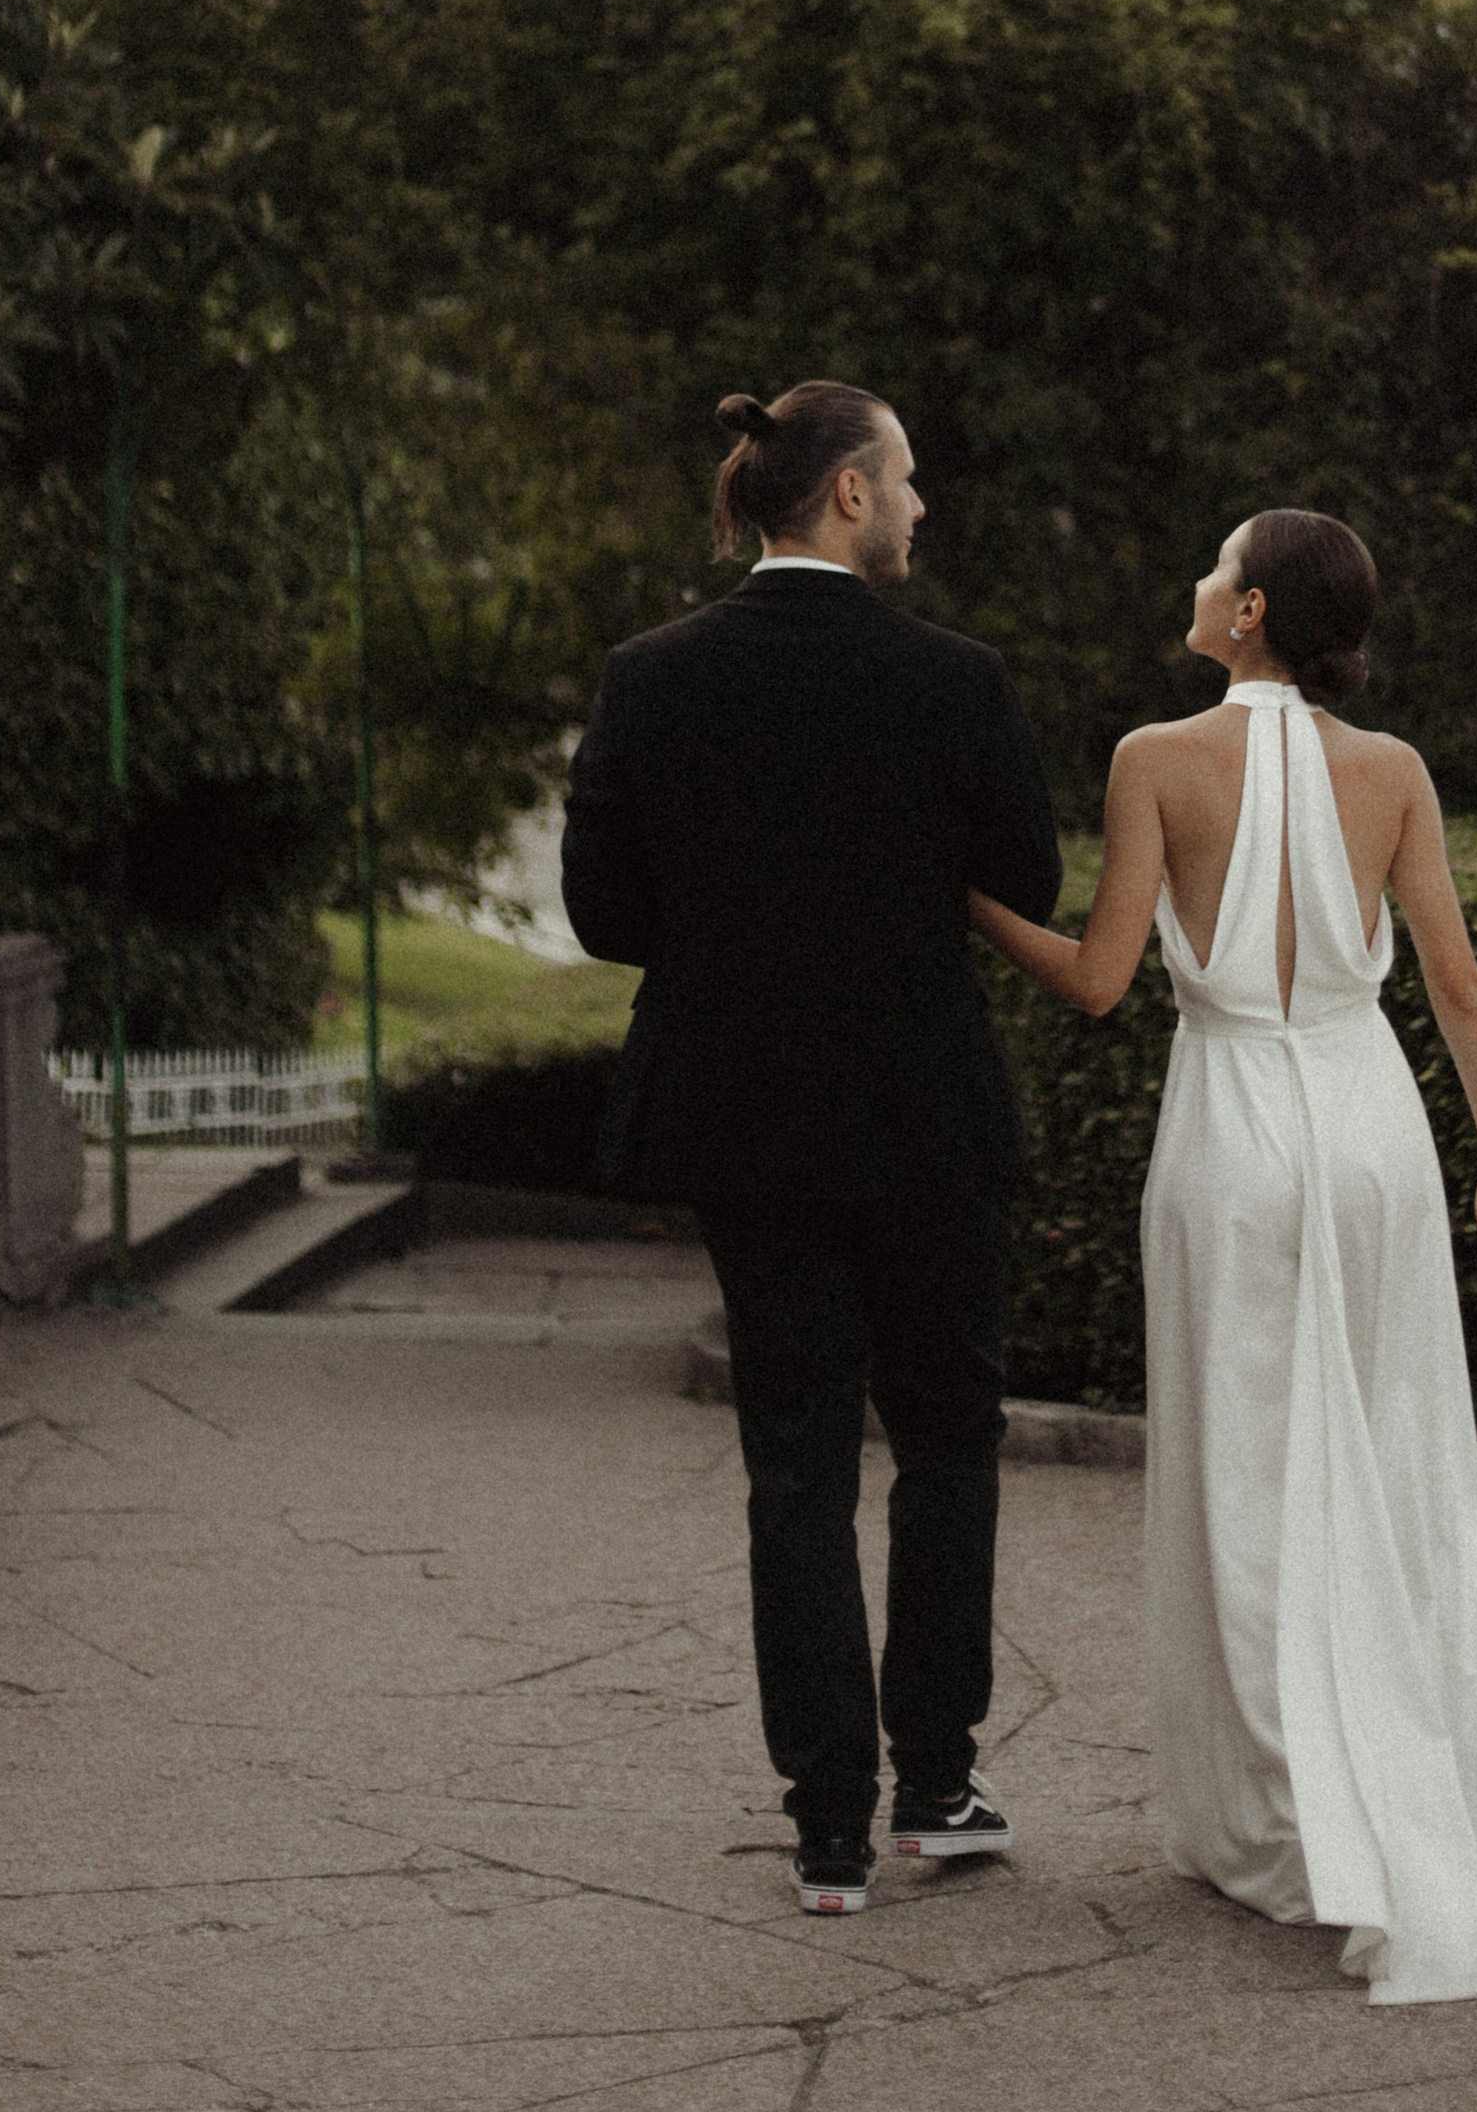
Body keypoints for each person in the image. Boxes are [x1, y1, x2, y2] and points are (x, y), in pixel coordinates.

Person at [969, 507, 1477, 2008]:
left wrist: (966, 903)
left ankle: (1271, 1826)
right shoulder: (1394, 771)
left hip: (1230, 1138)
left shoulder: (1158, 760)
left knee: (1243, 1473)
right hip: (1373, 1133)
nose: (1197, 582)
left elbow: (1097, 982)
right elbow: (1458, 988)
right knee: (1395, 1459)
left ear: (1252, 609)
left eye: (1212, 567)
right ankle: (1406, 1791)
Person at [561, 380, 1062, 1919]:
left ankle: (827, 1830)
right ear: (847, 492)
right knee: (946, 1441)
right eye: (908, 480)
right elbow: (1029, 875)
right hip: (923, 1116)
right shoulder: (956, 681)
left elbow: (603, 918)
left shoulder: (650, 678)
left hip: (745, 1123)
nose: (922, 506)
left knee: (794, 1463)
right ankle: (938, 1782)